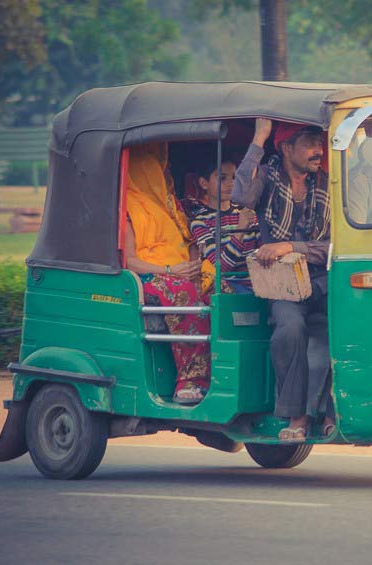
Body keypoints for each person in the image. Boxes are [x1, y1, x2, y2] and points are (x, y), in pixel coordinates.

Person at [232, 118, 334, 441]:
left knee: (354, 319)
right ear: (286, 148)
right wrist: (260, 138)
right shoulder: (268, 178)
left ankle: (332, 411)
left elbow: (334, 247)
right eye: (308, 143)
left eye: (319, 143)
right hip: (282, 286)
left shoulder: (329, 185)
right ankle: (297, 418)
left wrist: (290, 247)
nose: (318, 151)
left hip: (323, 279)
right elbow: (240, 194)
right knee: (289, 329)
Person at [124, 143, 214, 404]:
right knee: (182, 294)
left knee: (220, 288)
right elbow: (130, 260)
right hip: (148, 275)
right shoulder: (129, 208)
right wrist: (170, 270)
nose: (161, 178)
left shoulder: (166, 205)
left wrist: (195, 270)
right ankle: (189, 381)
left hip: (180, 269)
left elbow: (189, 241)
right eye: (152, 173)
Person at [186, 158, 260, 293]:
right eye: (222, 178)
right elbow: (222, 267)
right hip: (229, 289)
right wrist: (240, 229)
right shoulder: (200, 222)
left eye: (234, 177)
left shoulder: (248, 214)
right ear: (204, 183)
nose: (231, 183)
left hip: (260, 284)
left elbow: (262, 252)